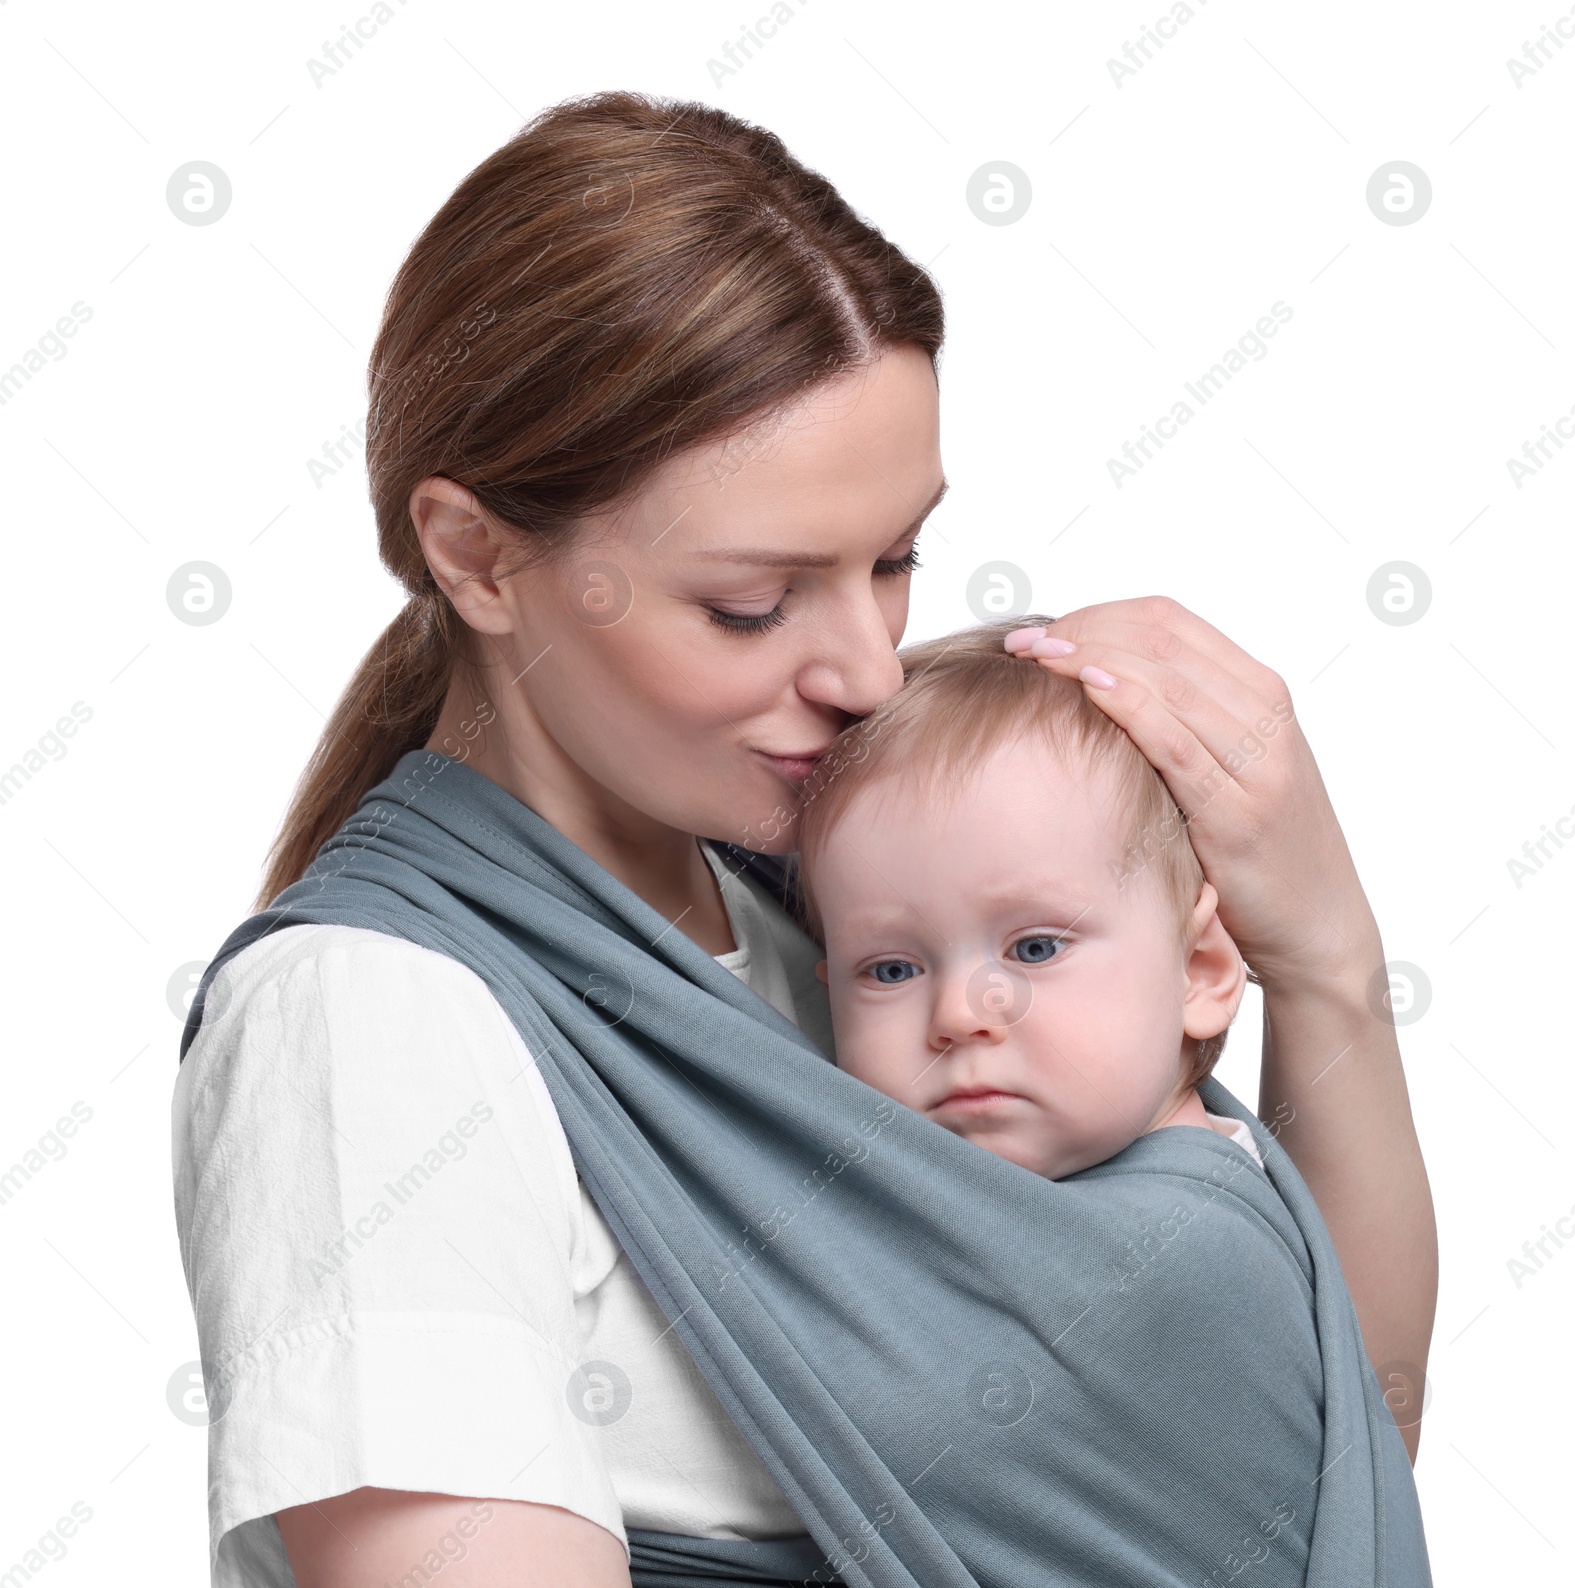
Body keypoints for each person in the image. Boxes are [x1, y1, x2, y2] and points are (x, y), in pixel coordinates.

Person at [171, 90, 1436, 1588]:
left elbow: (1302, 1467)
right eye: (754, 603)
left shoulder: (848, 918)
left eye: (895, 561)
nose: (867, 673)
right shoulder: (372, 1030)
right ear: (477, 556)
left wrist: (1331, 968)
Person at [796, 618, 1265, 1182]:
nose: (958, 1015)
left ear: (1198, 971)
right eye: (893, 971)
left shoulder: (1182, 1243)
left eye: (1035, 949)